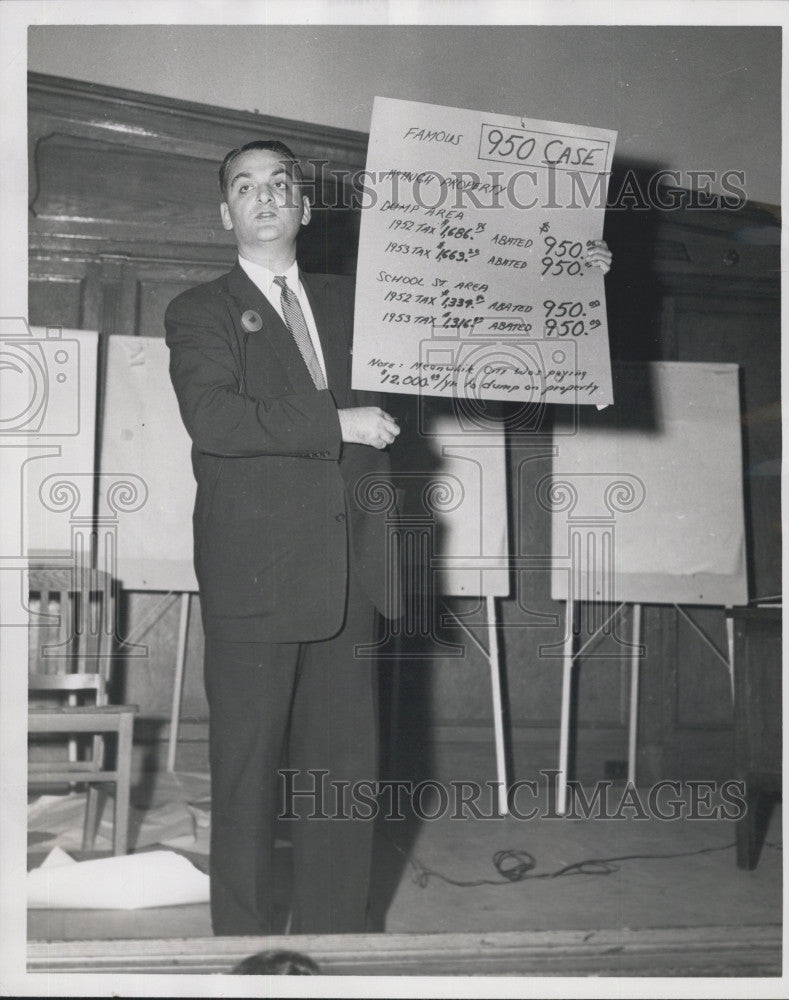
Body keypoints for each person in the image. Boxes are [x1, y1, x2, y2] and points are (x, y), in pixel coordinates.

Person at [164, 140, 401, 936]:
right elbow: (218, 420)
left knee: (345, 780)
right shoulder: (198, 309)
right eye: (244, 186)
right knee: (247, 779)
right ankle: (241, 954)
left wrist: (567, 282)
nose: (264, 198)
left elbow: (465, 351)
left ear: (305, 206)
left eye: (281, 185)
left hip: (350, 575)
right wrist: (340, 423)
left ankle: (340, 951)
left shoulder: (362, 305)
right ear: (224, 212)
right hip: (256, 578)